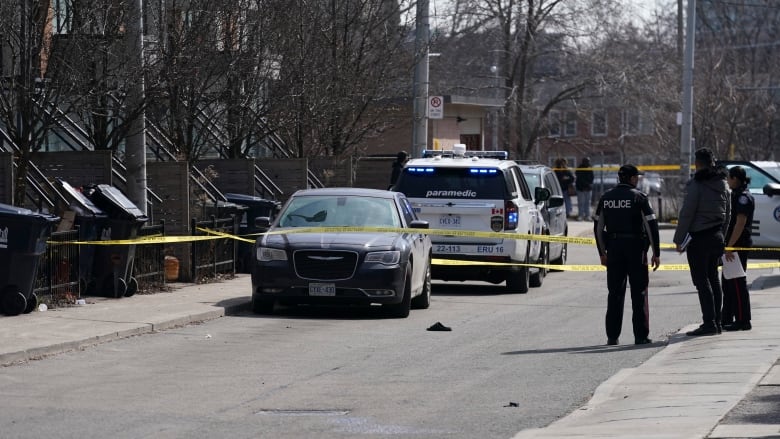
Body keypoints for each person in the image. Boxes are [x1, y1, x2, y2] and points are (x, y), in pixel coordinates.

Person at [594, 164, 660, 346]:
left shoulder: (606, 198)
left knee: (614, 293)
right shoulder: (639, 197)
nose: (638, 180)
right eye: (636, 177)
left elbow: (598, 227)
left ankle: (612, 336)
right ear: (631, 179)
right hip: (636, 248)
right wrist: (656, 252)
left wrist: (602, 253)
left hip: (614, 248)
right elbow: (651, 225)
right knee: (639, 293)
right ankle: (640, 336)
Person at [673, 147, 730, 336]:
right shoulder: (724, 184)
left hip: (699, 238)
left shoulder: (696, 184)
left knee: (701, 281)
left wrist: (679, 239)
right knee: (713, 278)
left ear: (697, 164)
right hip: (717, 236)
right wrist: (722, 235)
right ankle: (717, 321)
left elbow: (687, 213)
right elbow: (728, 214)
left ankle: (709, 323)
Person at [722, 166, 754, 331]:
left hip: (737, 245)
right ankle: (726, 317)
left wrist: (730, 245)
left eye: (729, 178)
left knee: (737, 284)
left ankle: (743, 320)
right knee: (727, 283)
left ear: (735, 178)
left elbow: (740, 223)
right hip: (732, 246)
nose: (727, 181)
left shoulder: (743, 198)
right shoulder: (735, 195)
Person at [575, 157, 594, 221]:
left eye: (588, 161)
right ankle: (581, 215)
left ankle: (587, 215)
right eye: (586, 161)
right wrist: (584, 186)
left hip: (588, 188)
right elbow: (580, 179)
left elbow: (591, 178)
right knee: (581, 202)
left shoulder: (590, 168)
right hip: (580, 188)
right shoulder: (580, 168)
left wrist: (588, 185)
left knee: (588, 203)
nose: (587, 163)